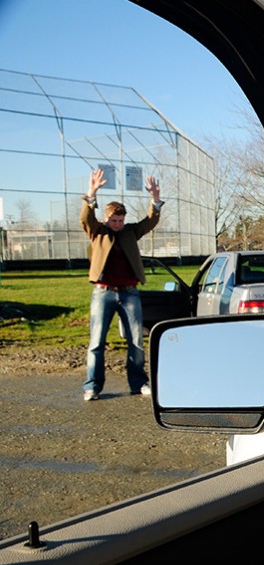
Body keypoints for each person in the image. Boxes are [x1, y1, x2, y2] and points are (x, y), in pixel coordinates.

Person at [80, 167, 162, 401]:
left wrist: (154, 199)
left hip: (130, 293)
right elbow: (85, 218)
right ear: (106, 218)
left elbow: (149, 221)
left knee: (136, 340)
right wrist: (91, 193)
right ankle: (92, 387)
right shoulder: (98, 232)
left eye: (120, 220)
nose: (117, 224)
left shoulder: (130, 232)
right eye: (113, 220)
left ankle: (139, 383)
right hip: (103, 292)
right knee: (96, 341)